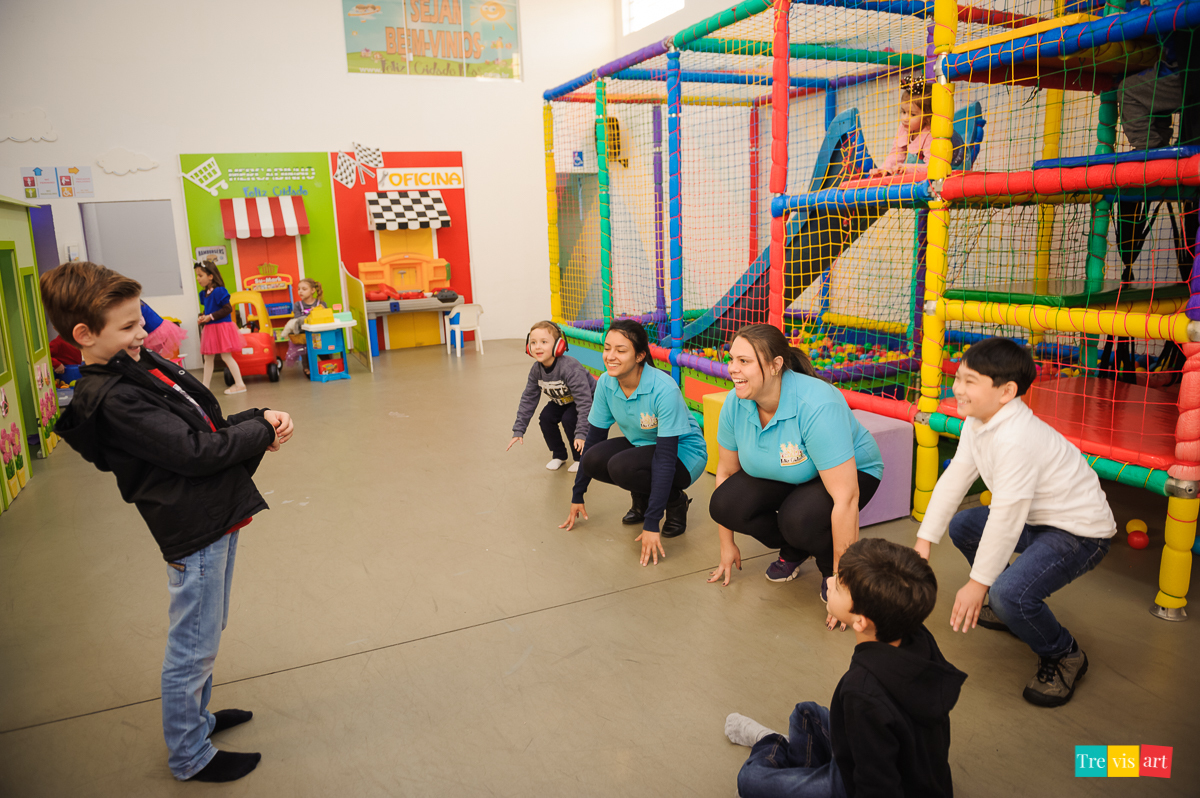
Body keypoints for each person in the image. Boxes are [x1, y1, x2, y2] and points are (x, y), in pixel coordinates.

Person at [43, 261, 294, 783]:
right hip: (192, 526)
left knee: (208, 629)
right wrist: (261, 431)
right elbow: (197, 452)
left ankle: (196, 722)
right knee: (193, 645)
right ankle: (188, 754)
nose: (144, 332)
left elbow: (204, 423)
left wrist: (258, 418)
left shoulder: (132, 368)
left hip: (211, 514)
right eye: (130, 326)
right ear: (85, 335)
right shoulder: (115, 397)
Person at [913, 337, 1116, 707]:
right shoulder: (979, 422)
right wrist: (925, 538)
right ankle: (1008, 607)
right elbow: (956, 477)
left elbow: (1006, 515)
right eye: (957, 377)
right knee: (965, 525)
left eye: (969, 381)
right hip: (1038, 519)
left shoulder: (1017, 439)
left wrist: (979, 584)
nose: (957, 388)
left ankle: (1063, 653)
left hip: (1079, 532)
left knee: (1008, 593)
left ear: (1006, 392)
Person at [726, 538, 965, 798]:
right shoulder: (914, 632)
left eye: (838, 586)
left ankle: (769, 742)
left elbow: (877, 789)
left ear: (861, 621)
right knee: (805, 714)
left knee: (749, 780)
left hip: (857, 786)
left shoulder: (863, 692)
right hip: (905, 765)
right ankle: (801, 768)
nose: (828, 582)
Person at [708, 325, 884, 626]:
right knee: (723, 504)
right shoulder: (735, 403)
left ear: (776, 365)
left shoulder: (816, 405)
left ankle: (827, 563)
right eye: (731, 359)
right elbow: (726, 472)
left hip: (853, 473)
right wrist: (727, 546)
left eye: (744, 361)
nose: (732, 369)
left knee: (798, 520)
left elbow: (846, 497)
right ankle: (796, 546)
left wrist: (844, 584)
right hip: (792, 472)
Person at [561, 319, 707, 565]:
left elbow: (665, 457)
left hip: (683, 455)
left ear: (640, 356)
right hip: (643, 446)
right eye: (607, 348)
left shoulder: (664, 389)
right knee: (596, 459)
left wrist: (652, 523)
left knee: (622, 466)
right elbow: (594, 438)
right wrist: (578, 494)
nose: (610, 356)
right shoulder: (607, 382)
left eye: (621, 350)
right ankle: (641, 499)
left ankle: (675, 502)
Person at [506, 320, 595, 472]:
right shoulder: (536, 370)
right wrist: (519, 429)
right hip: (563, 399)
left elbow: (584, 402)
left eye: (544, 342)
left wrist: (581, 433)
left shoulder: (569, 368)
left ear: (559, 345)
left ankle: (581, 457)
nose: (538, 346)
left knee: (569, 418)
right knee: (546, 417)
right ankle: (559, 455)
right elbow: (528, 398)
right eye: (533, 342)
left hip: (587, 399)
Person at [871, 74, 965, 177]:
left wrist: (907, 168)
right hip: (928, 162)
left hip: (955, 165)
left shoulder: (931, 134)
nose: (905, 119)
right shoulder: (904, 128)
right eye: (903, 112)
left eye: (913, 114)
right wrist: (884, 169)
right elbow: (896, 153)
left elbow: (933, 166)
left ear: (927, 117)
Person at [194, 260, 247, 394]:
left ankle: (240, 384)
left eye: (200, 275)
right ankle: (205, 387)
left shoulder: (219, 291)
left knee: (226, 356)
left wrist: (210, 316)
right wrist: (203, 316)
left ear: (210, 276)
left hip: (221, 327)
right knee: (208, 358)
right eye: (197, 276)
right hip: (211, 328)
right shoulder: (205, 294)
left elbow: (227, 309)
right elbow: (208, 310)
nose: (198, 279)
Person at [282, 278, 328, 375]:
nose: (300, 291)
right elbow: (298, 319)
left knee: (324, 349)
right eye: (299, 289)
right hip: (305, 335)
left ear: (312, 290)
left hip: (320, 333)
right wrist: (311, 314)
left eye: (304, 289)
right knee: (306, 349)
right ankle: (307, 368)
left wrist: (322, 311)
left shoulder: (321, 304)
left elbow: (327, 318)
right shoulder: (298, 305)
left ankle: (328, 364)